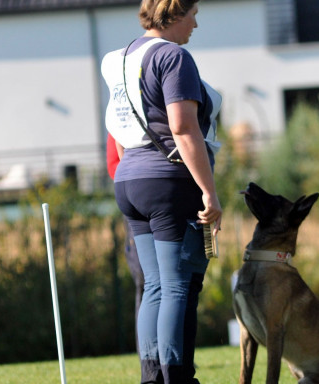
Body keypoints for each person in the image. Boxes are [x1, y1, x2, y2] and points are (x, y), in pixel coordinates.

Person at [101, 0, 223, 382]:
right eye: (193, 15)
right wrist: (209, 192)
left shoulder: (119, 58)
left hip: (129, 179)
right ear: (176, 14)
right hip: (168, 182)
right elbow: (183, 129)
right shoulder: (173, 57)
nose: (196, 25)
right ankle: (176, 376)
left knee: (153, 286)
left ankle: (152, 376)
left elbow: (118, 129)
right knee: (176, 285)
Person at [106, 132, 145, 355]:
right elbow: (113, 164)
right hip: (135, 207)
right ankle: (148, 353)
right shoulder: (118, 120)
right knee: (144, 283)